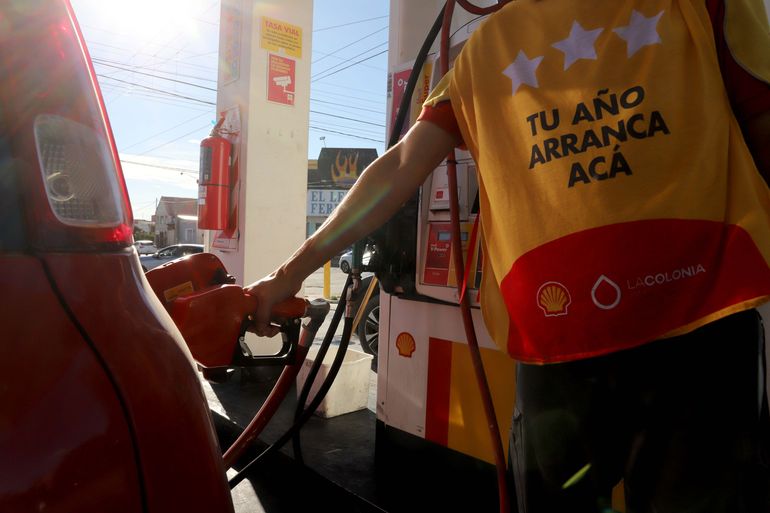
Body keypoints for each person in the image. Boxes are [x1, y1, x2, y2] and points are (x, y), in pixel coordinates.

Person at [247, 0, 770, 511]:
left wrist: (288, 274)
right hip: (585, 347)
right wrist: (289, 273)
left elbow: (398, 168)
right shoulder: (485, 50)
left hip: (686, 337)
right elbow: (399, 165)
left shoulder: (702, 5)